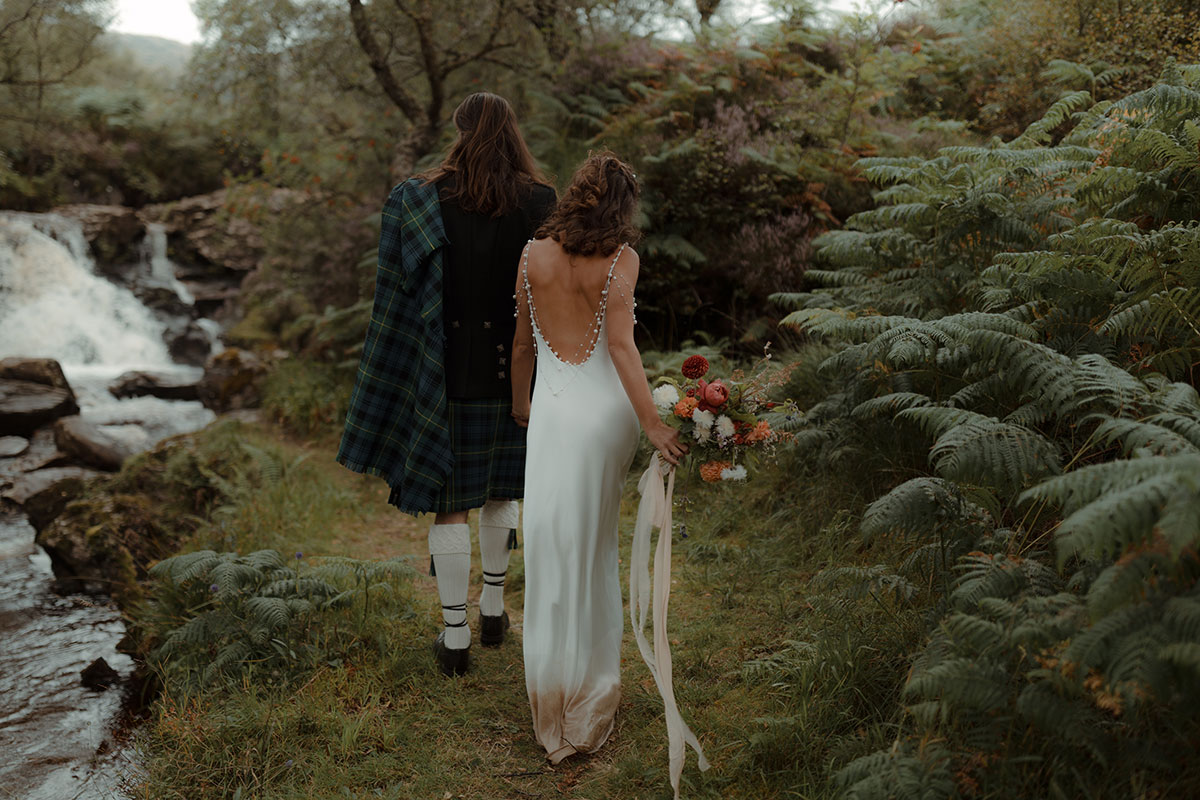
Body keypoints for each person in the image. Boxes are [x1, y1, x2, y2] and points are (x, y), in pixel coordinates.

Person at [337, 92, 556, 677]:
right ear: (513, 131)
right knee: (502, 493)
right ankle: (492, 609)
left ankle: (456, 638)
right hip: (519, 372)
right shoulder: (540, 201)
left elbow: (395, 295)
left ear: (459, 131)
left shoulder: (421, 198)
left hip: (444, 373)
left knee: (451, 506)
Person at [510, 152, 689, 764]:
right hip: (605, 418)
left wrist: (522, 408)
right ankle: (590, 688)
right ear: (622, 206)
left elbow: (520, 349)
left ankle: (551, 691)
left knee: (551, 546)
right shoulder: (621, 258)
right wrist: (654, 424)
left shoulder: (532, 254)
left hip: (552, 416)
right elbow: (620, 346)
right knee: (593, 547)